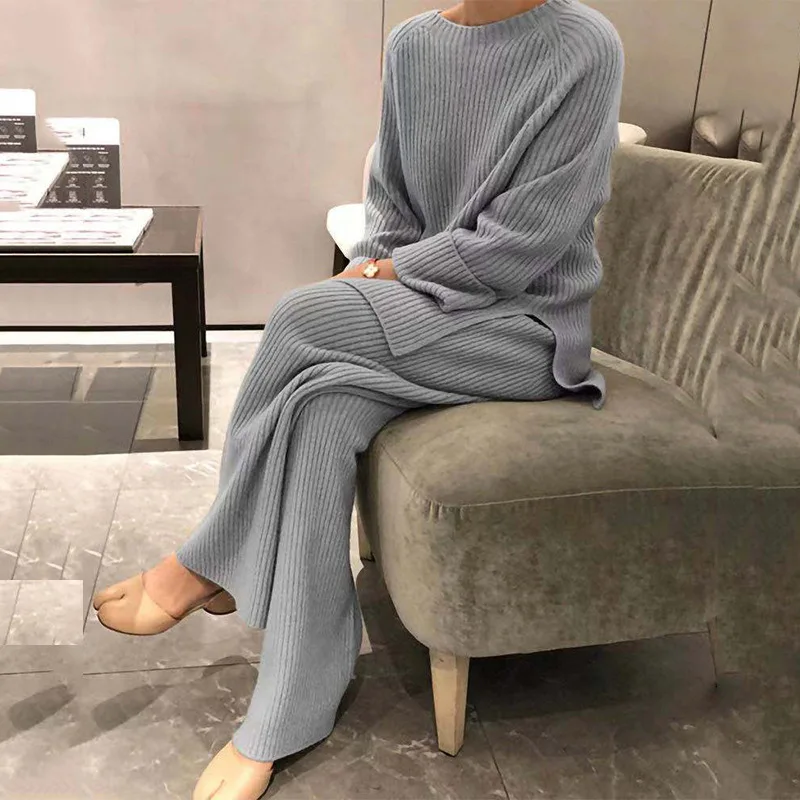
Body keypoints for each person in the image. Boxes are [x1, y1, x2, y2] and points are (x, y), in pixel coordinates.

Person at [91, 1, 624, 797]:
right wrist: (376, 273)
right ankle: (295, 699)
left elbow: (525, 244)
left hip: (527, 331)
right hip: (430, 311)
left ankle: (204, 562)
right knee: (321, 405)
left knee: (300, 315)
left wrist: (379, 279)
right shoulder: (413, 45)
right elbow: (392, 212)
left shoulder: (585, 45)